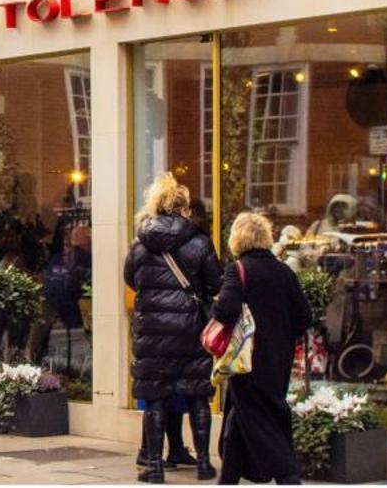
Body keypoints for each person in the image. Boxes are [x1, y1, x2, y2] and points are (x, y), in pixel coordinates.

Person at [124, 174, 223, 483]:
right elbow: (216, 283)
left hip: (152, 332)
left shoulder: (140, 244)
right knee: (197, 395)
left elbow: (130, 279)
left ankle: (154, 466)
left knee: (154, 397)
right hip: (192, 327)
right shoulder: (200, 242)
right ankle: (205, 465)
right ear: (184, 209)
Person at [210, 212, 314, 486]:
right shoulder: (284, 271)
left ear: (238, 239)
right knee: (241, 419)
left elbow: (226, 309)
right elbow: (305, 316)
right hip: (278, 360)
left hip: (247, 361)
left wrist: (214, 305)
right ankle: (228, 479)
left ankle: (289, 477)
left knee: (261, 420)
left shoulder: (239, 269)